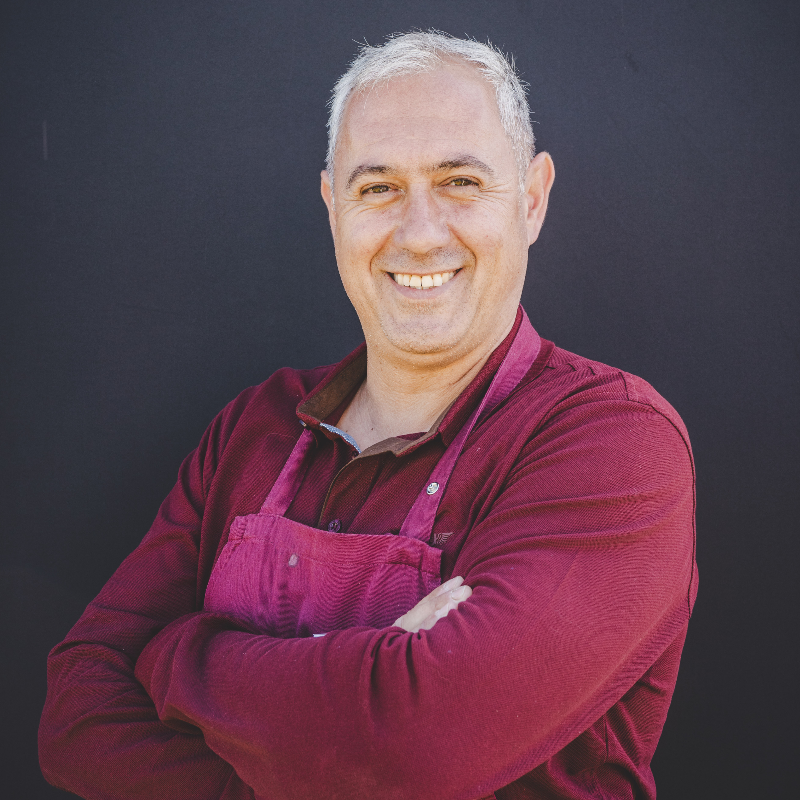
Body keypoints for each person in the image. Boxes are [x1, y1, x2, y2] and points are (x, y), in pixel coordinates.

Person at [39, 31, 697, 800]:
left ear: (531, 199)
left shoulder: (613, 445)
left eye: (459, 181)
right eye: (378, 187)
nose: (419, 233)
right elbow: (74, 720)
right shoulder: (254, 427)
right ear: (333, 206)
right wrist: (367, 684)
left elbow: (417, 745)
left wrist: (177, 655)